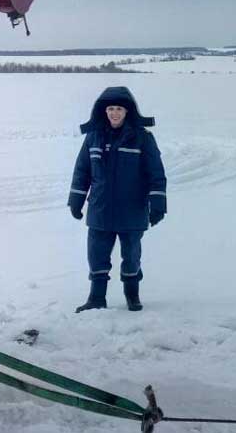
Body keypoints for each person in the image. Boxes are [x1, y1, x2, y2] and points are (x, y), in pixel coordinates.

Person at [68, 86, 167, 312]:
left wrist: (158, 204)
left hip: (132, 210)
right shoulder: (93, 137)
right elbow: (82, 171)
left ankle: (132, 295)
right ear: (104, 111)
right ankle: (96, 298)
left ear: (127, 111)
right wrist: (76, 200)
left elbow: (156, 173)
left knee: (131, 256)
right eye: (110, 109)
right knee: (96, 255)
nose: (114, 113)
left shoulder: (142, 138)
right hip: (100, 209)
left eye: (119, 109)